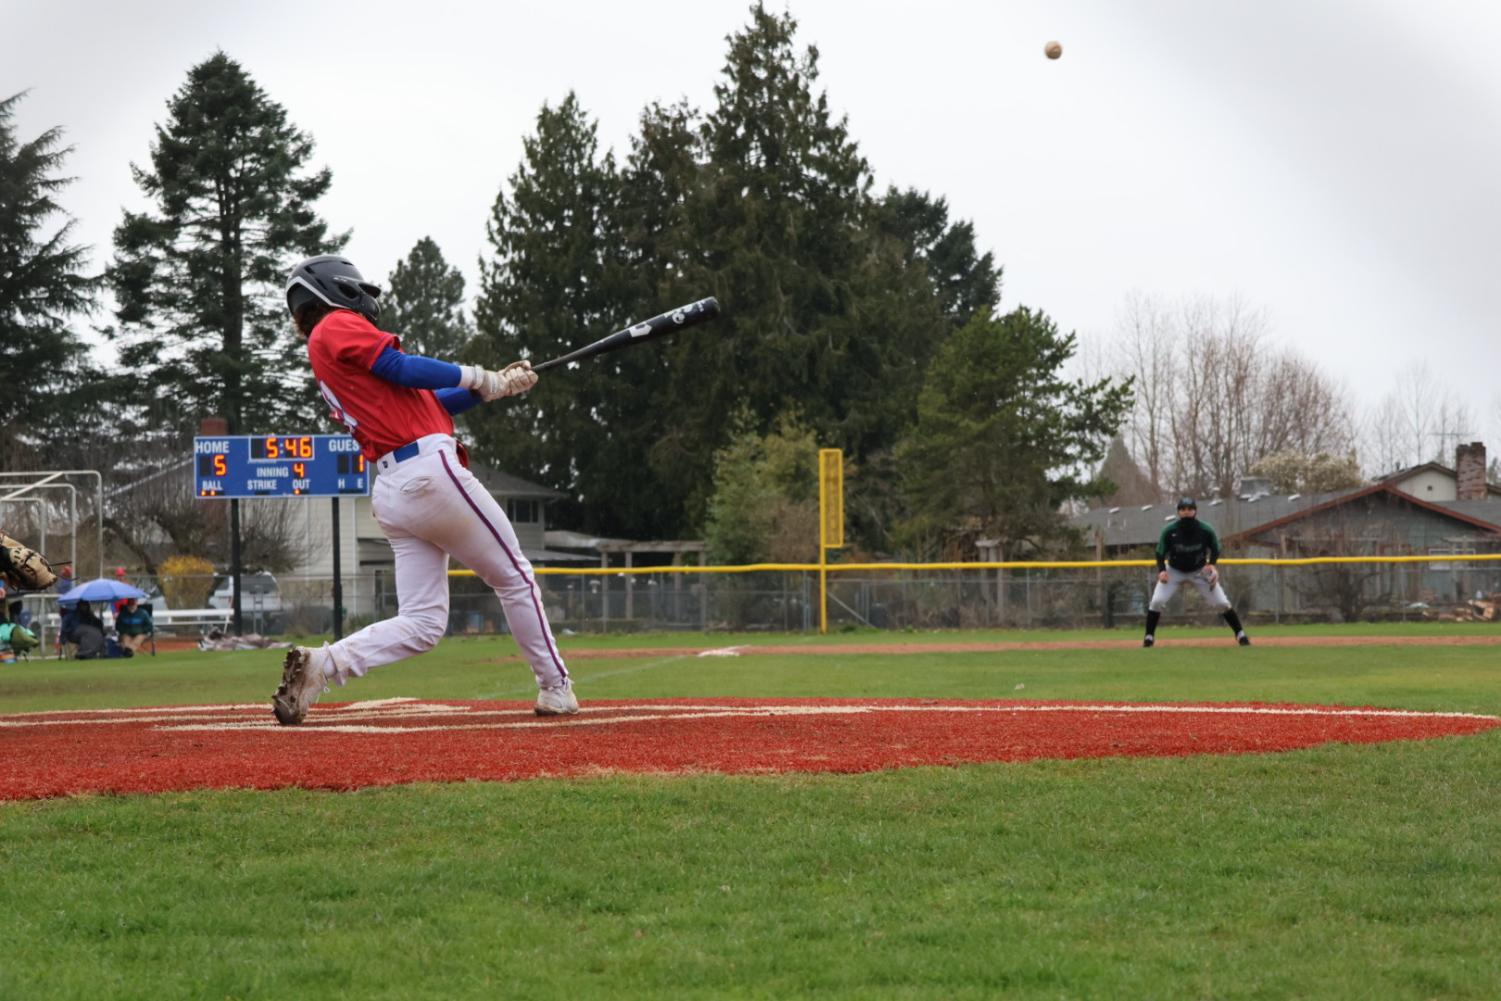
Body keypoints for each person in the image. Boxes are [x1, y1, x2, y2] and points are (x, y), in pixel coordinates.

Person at [272, 255, 575, 725]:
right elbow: (402, 366)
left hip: (396, 489)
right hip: (428, 473)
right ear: (335, 291)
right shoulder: (335, 326)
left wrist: (494, 389)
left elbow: (427, 400)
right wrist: (478, 375)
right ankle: (555, 687)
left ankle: (322, 665)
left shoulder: (329, 348)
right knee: (514, 576)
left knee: (423, 624)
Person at [1143, 497, 1250, 648]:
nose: (1186, 512)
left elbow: (1216, 548)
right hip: (1174, 570)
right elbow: (1159, 552)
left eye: (1189, 509)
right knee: (1156, 601)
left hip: (1199, 571)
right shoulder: (1169, 530)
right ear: (1179, 512)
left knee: (1222, 603)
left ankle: (1240, 634)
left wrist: (1212, 565)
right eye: (1183, 509)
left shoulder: (1205, 529)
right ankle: (1149, 636)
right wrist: (1161, 571)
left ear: (1195, 511)